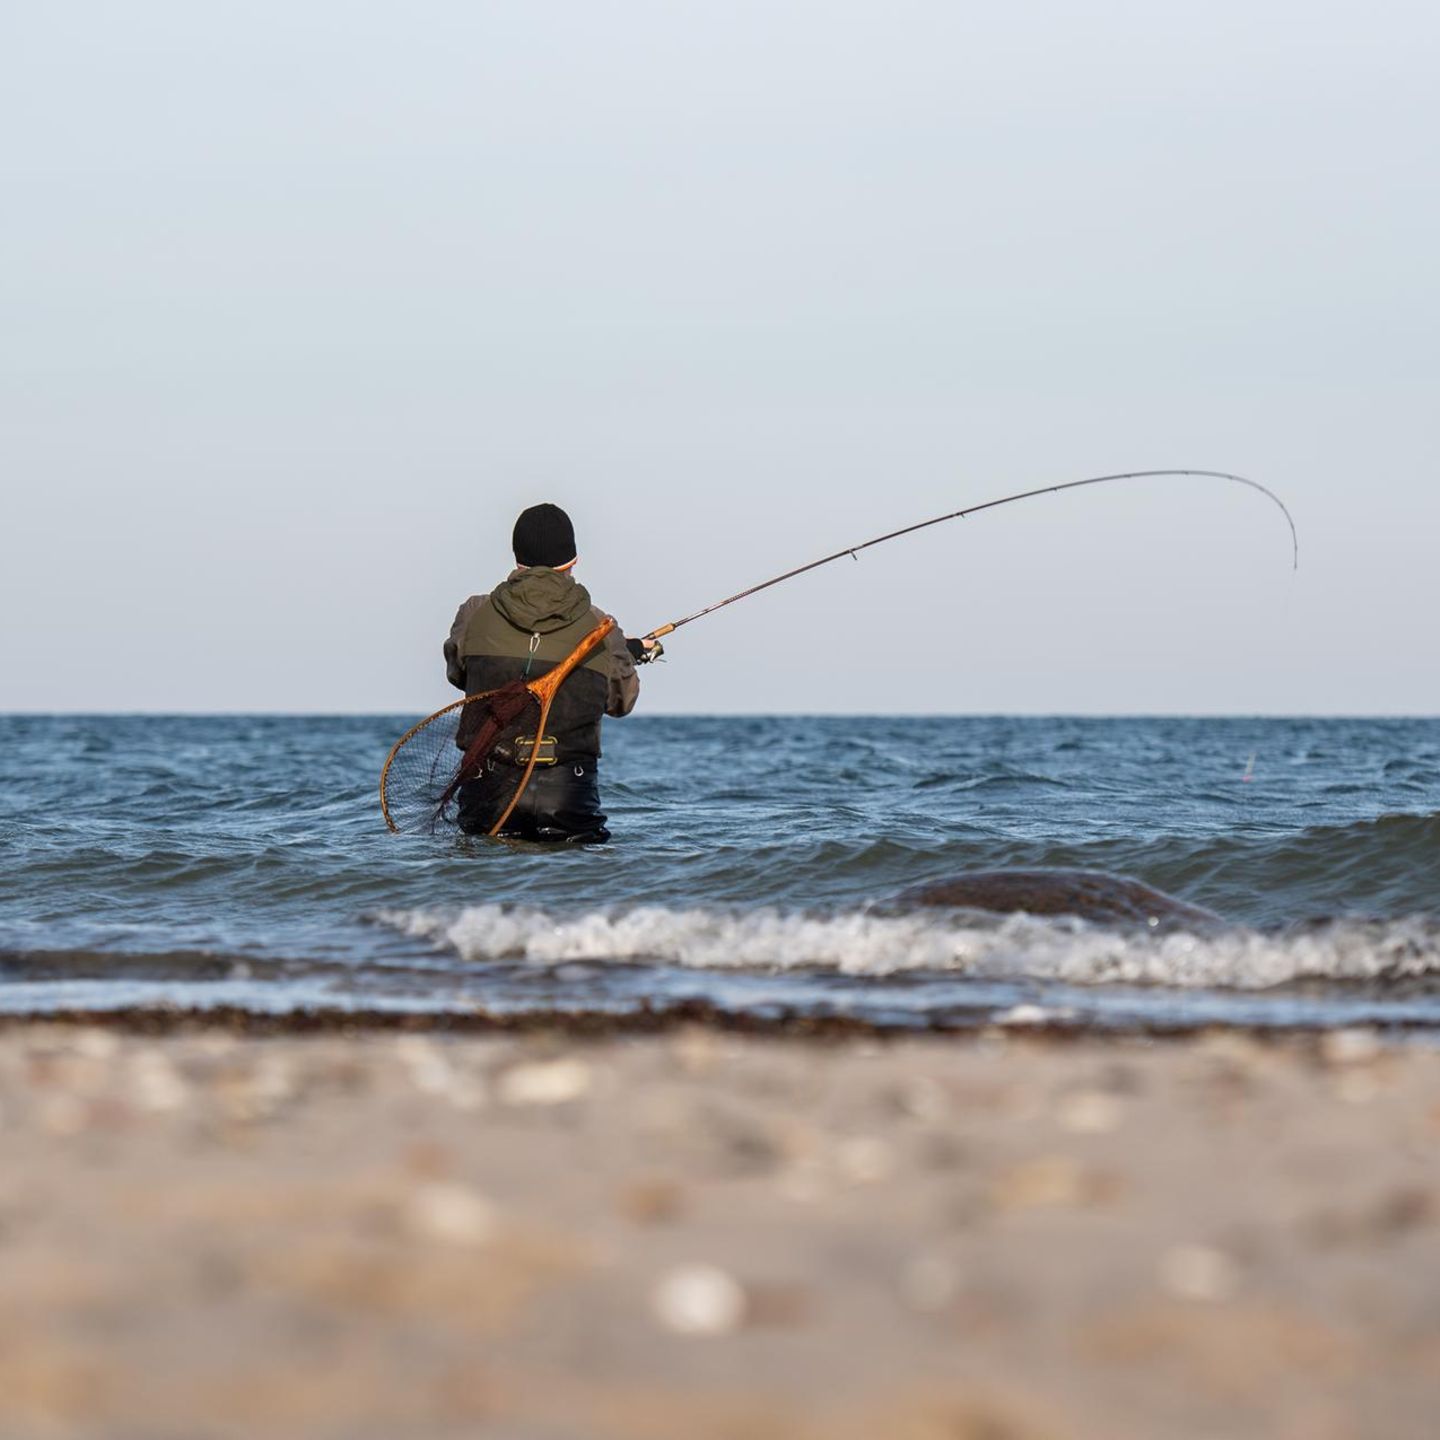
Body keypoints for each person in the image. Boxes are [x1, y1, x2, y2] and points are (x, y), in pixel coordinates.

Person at [443, 503, 654, 842]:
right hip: (568, 792)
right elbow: (620, 703)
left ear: (516, 557)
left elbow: (458, 674)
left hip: (490, 790)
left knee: (487, 880)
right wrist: (622, 654)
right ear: (572, 560)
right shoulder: (602, 628)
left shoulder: (473, 613)